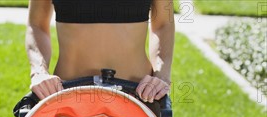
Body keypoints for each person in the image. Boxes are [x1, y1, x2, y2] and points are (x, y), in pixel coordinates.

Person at [25, 0, 174, 103]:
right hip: (68, 97)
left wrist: (162, 75)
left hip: (139, 95)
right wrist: (39, 72)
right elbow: (36, 25)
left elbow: (163, 24)